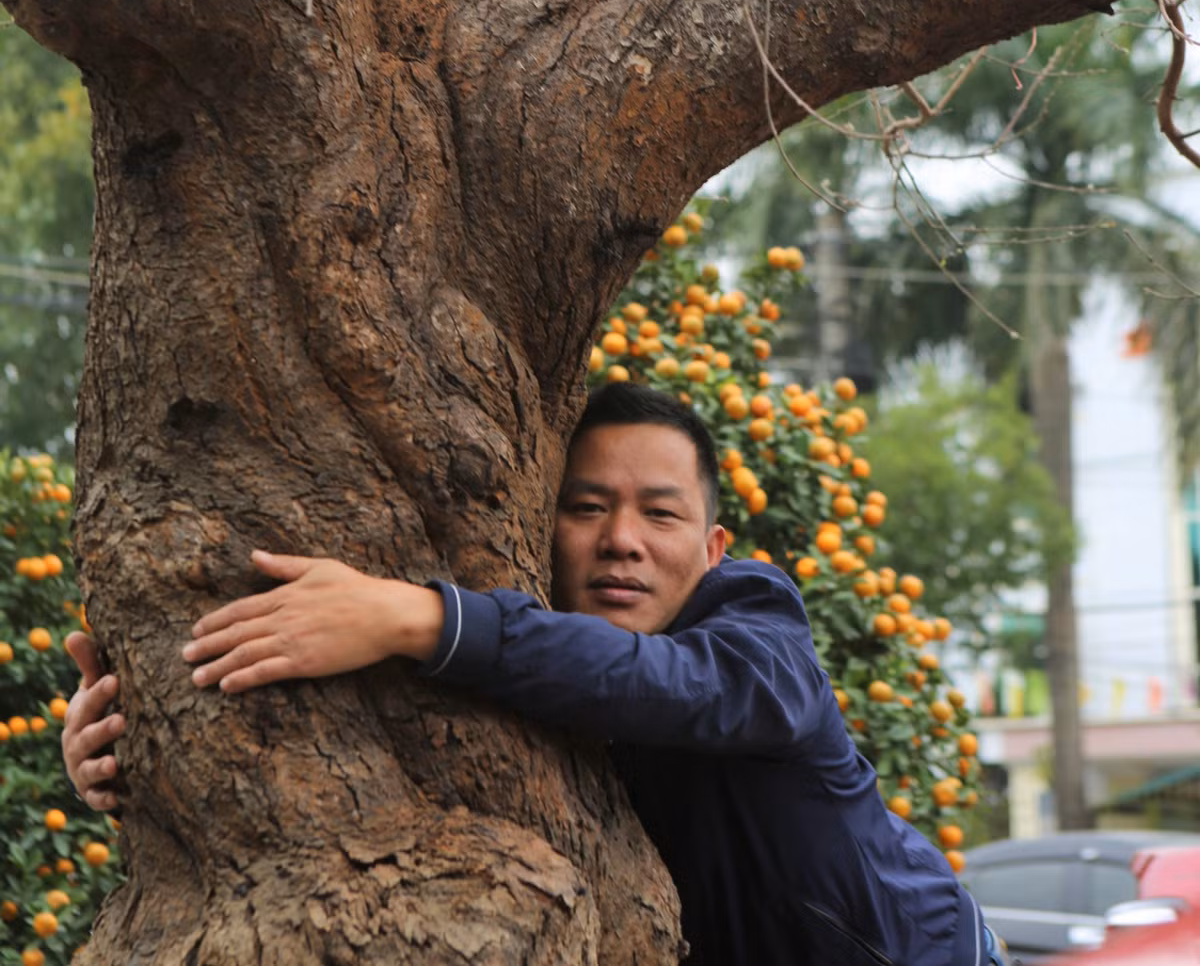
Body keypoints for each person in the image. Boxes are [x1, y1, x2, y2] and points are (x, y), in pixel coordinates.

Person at [64, 382, 999, 966]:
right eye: (586, 507)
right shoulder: (548, 677)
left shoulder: (757, 629)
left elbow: (674, 686)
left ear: (714, 548)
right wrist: (144, 742)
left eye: (658, 515)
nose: (620, 540)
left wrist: (414, 615)